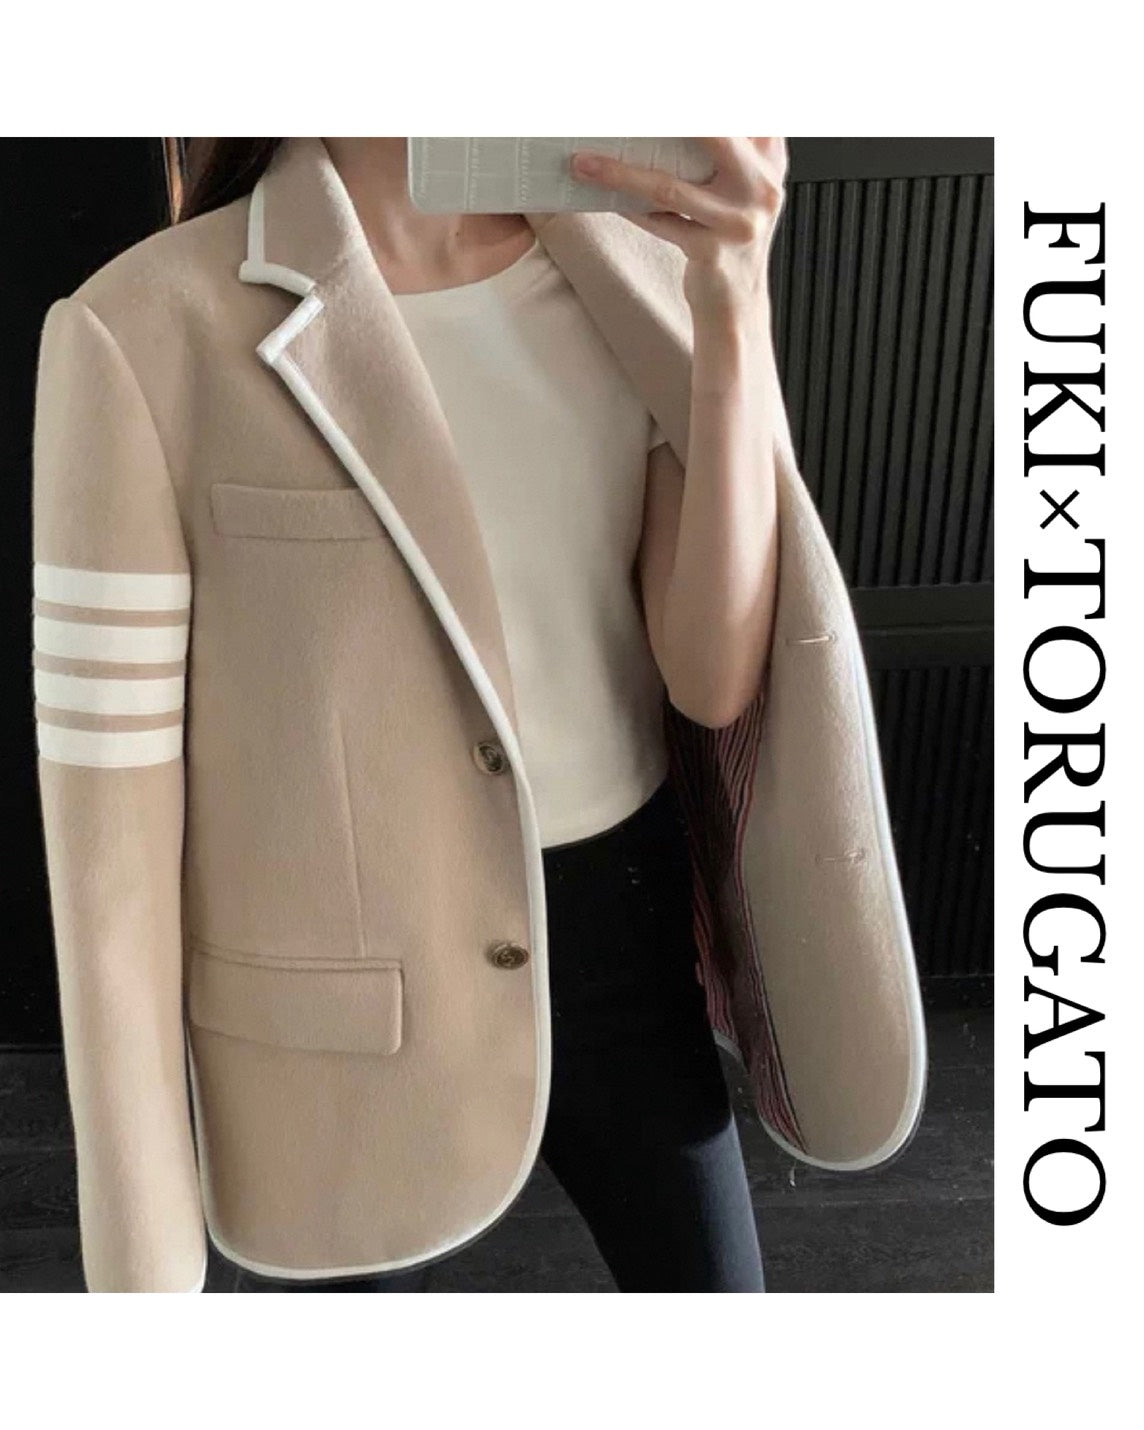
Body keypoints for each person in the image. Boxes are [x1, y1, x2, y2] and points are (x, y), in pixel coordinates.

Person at [34, 136, 793, 1293]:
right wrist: (143, 1274)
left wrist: (732, 300)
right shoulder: (140, 329)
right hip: (348, 1010)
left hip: (622, 937)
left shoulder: (636, 271)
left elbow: (709, 677)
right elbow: (111, 870)